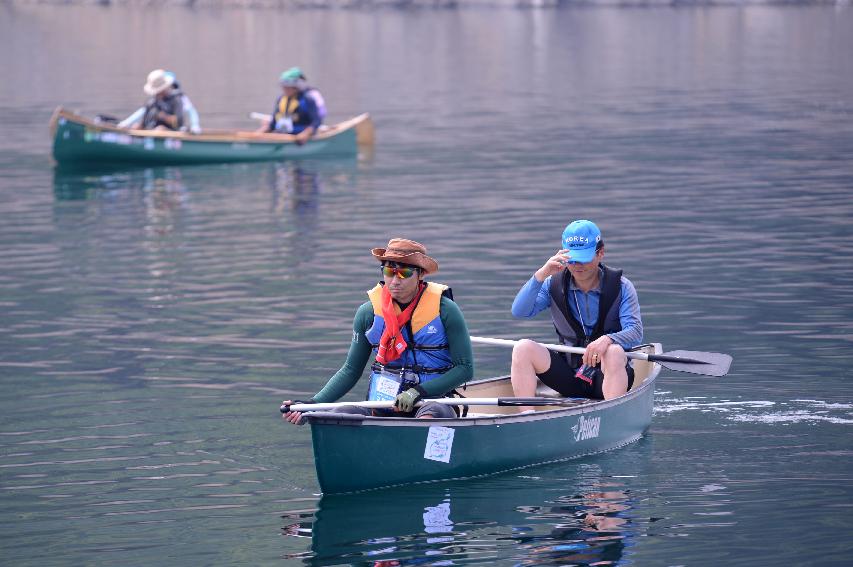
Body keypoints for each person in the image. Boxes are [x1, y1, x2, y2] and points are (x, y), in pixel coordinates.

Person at [282, 238, 474, 424]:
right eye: (389, 271)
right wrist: (312, 406)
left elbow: (465, 369)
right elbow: (350, 370)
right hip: (382, 403)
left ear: (421, 274)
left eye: (404, 273)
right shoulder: (367, 313)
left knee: (431, 414)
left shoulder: (446, 310)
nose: (395, 281)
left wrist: (418, 392)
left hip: (434, 401)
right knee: (337, 415)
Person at [509, 220, 642, 402]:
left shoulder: (622, 287)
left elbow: (635, 331)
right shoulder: (552, 284)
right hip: (570, 374)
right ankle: (526, 417)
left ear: (600, 253)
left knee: (614, 352)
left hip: (607, 374)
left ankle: (611, 413)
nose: (578, 264)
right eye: (572, 258)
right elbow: (519, 311)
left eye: (584, 257)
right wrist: (540, 275)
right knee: (522, 348)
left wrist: (607, 339)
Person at [118, 69, 201, 134]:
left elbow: (179, 121)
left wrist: (195, 126)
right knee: (136, 127)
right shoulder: (152, 102)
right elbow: (143, 116)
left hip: (171, 131)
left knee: (160, 130)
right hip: (152, 130)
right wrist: (128, 125)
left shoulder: (177, 100)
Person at [256, 66, 324, 144]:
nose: (285, 89)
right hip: (281, 135)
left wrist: (305, 134)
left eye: (288, 87)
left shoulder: (307, 100)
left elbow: (316, 122)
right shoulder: (281, 99)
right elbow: (273, 124)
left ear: (296, 87)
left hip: (299, 137)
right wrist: (258, 134)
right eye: (284, 86)